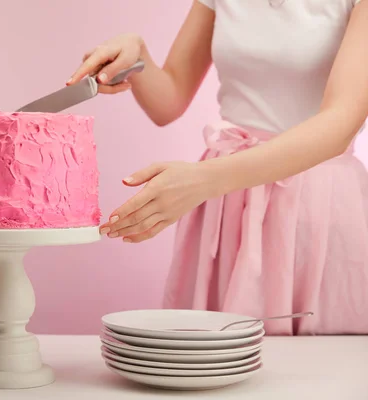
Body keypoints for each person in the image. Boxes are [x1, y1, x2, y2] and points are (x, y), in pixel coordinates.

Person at [68, 0, 368, 335]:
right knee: (216, 358)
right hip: (227, 203)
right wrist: (137, 56)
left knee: (318, 369)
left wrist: (203, 182)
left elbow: (341, 124)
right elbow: (169, 100)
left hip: (315, 203)